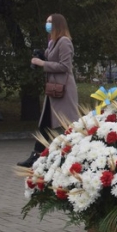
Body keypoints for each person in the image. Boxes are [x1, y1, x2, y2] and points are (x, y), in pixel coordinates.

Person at [18, 14, 80, 167]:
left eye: (50, 22)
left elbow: (65, 66)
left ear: (58, 24)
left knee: (64, 125)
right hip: (53, 91)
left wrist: (42, 63)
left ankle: (73, 155)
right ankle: (37, 155)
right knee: (45, 123)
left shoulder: (64, 42)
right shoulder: (52, 42)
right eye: (46, 21)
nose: (47, 24)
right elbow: (52, 58)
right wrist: (42, 54)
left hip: (63, 90)